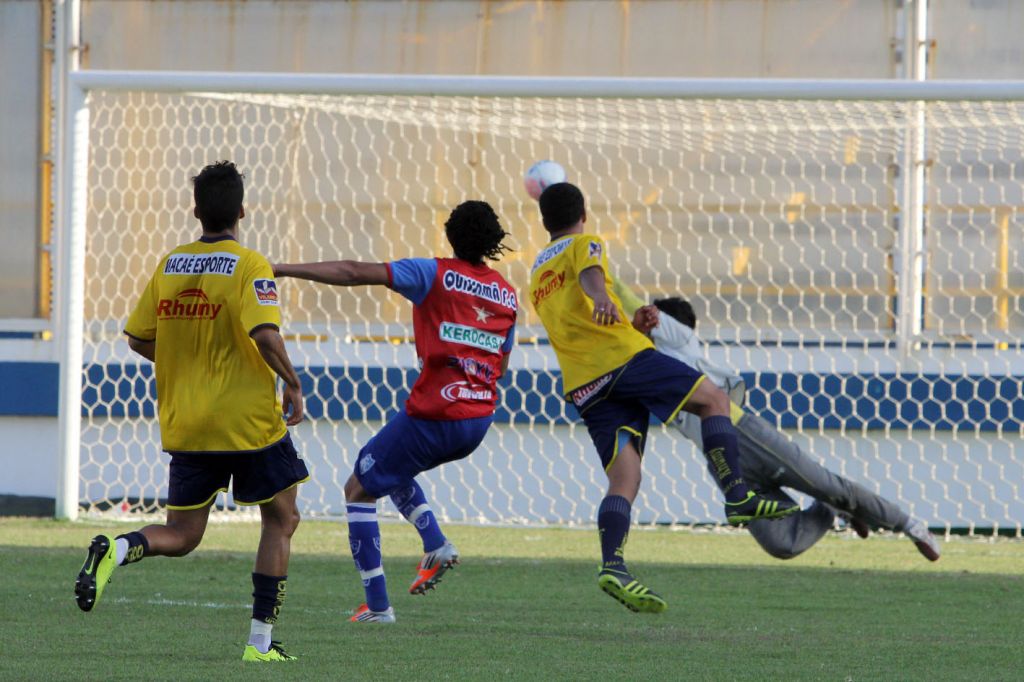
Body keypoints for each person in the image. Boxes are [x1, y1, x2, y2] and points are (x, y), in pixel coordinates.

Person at [74, 161, 309, 662]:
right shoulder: (250, 265)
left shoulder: (170, 263)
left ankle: (116, 549)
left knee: (181, 535)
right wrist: (292, 382)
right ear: (242, 210)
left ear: (196, 210)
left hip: (186, 422)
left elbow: (139, 337)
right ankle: (260, 645)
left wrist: (187, 359)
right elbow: (265, 333)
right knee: (282, 519)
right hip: (247, 424)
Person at [529, 182, 797, 615]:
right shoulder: (585, 243)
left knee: (625, 480)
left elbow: (583, 324)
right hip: (624, 363)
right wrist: (601, 296)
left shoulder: (536, 277)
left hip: (586, 385)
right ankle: (736, 495)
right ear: (584, 212)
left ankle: (613, 566)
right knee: (714, 400)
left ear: (544, 222)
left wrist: (633, 320)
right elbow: (592, 277)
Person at [274, 200, 517, 623]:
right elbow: (502, 365)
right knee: (389, 465)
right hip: (477, 420)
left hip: (437, 415)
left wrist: (284, 269)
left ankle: (378, 605)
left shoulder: (432, 273)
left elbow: (352, 272)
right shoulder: (507, 295)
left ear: (451, 237)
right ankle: (436, 543)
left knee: (357, 488)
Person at [612, 283, 941, 562]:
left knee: (829, 485)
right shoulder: (644, 363)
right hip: (721, 460)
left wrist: (596, 268)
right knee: (782, 543)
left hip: (743, 434)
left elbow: (626, 296)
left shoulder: (680, 340)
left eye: (654, 319)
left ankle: (909, 524)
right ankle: (827, 510)